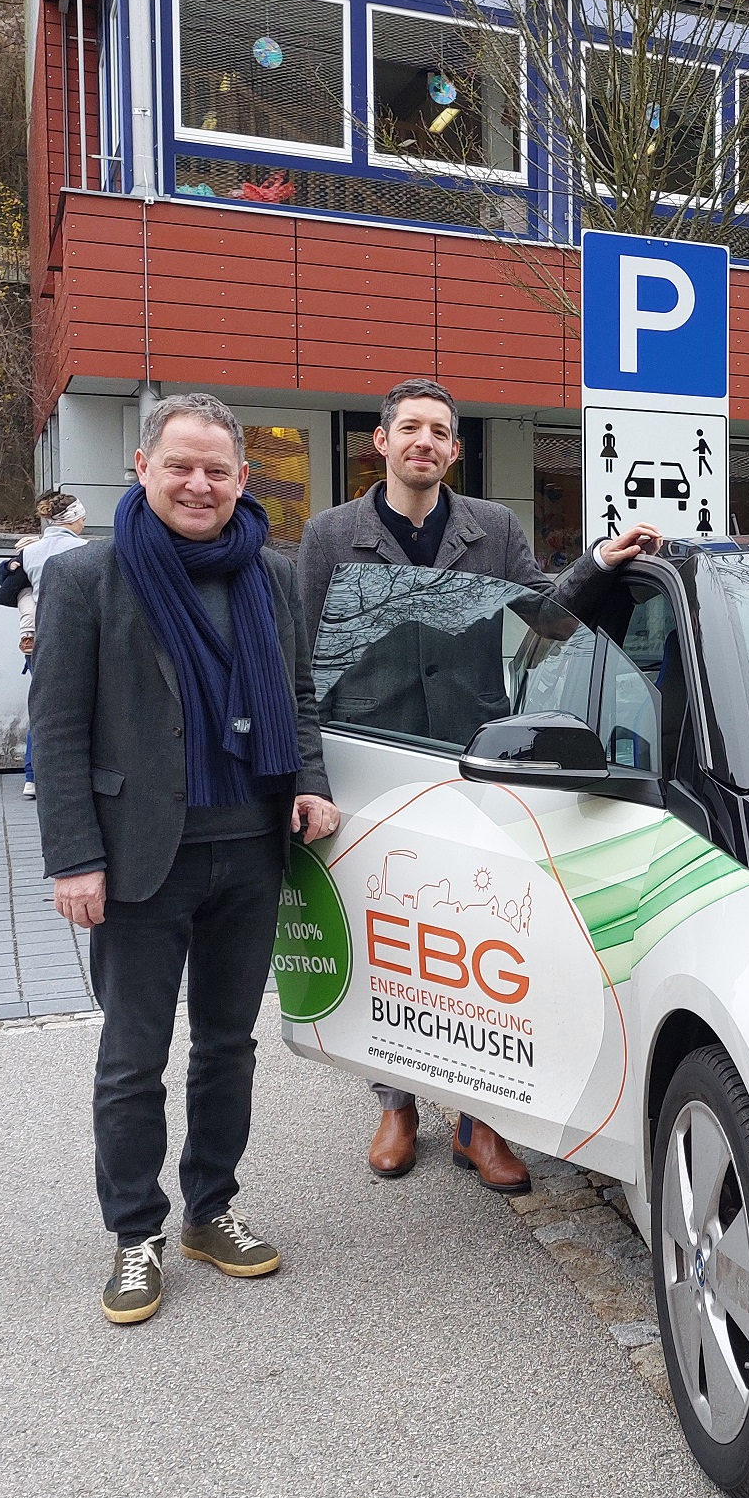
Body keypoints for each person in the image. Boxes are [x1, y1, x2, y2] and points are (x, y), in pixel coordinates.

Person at [297, 376, 662, 1191]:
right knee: (391, 926)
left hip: (470, 753)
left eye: (439, 431)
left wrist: (600, 563)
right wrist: (310, 772)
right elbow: (303, 659)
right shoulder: (329, 535)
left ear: (455, 450)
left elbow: (545, 618)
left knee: (473, 934)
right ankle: (396, 1104)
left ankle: (480, 1121)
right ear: (382, 442)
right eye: (410, 429)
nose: (424, 442)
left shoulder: (491, 528)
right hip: (370, 753)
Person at [30, 393, 340, 1326]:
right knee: (133, 1059)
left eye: (216, 469)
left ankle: (211, 1209)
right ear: (143, 468)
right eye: (180, 466)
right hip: (138, 858)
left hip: (250, 847)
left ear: (243, 478)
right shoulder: (88, 576)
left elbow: (298, 693)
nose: (199, 484)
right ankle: (136, 1233)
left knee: (228, 1047)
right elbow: (58, 728)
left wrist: (310, 781)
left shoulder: (270, 574)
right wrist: (74, 857)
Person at [10, 493, 89, 799]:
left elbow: (12, 589)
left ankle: (33, 777)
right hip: (79, 637)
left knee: (44, 709)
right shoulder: (86, 551)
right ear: (74, 518)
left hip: (41, 639)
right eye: (82, 516)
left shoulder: (30, 552)